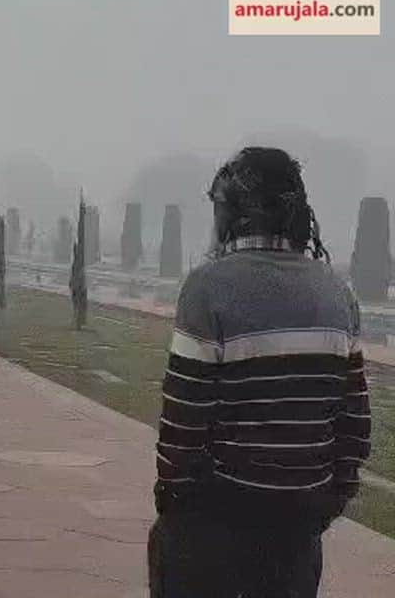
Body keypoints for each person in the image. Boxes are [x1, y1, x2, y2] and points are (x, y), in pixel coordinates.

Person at [148, 147, 371, 598]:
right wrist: (326, 503)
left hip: (216, 518)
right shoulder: (335, 292)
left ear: (231, 211)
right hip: (299, 527)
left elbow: (184, 423)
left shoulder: (208, 287)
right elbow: (354, 422)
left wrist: (173, 501)